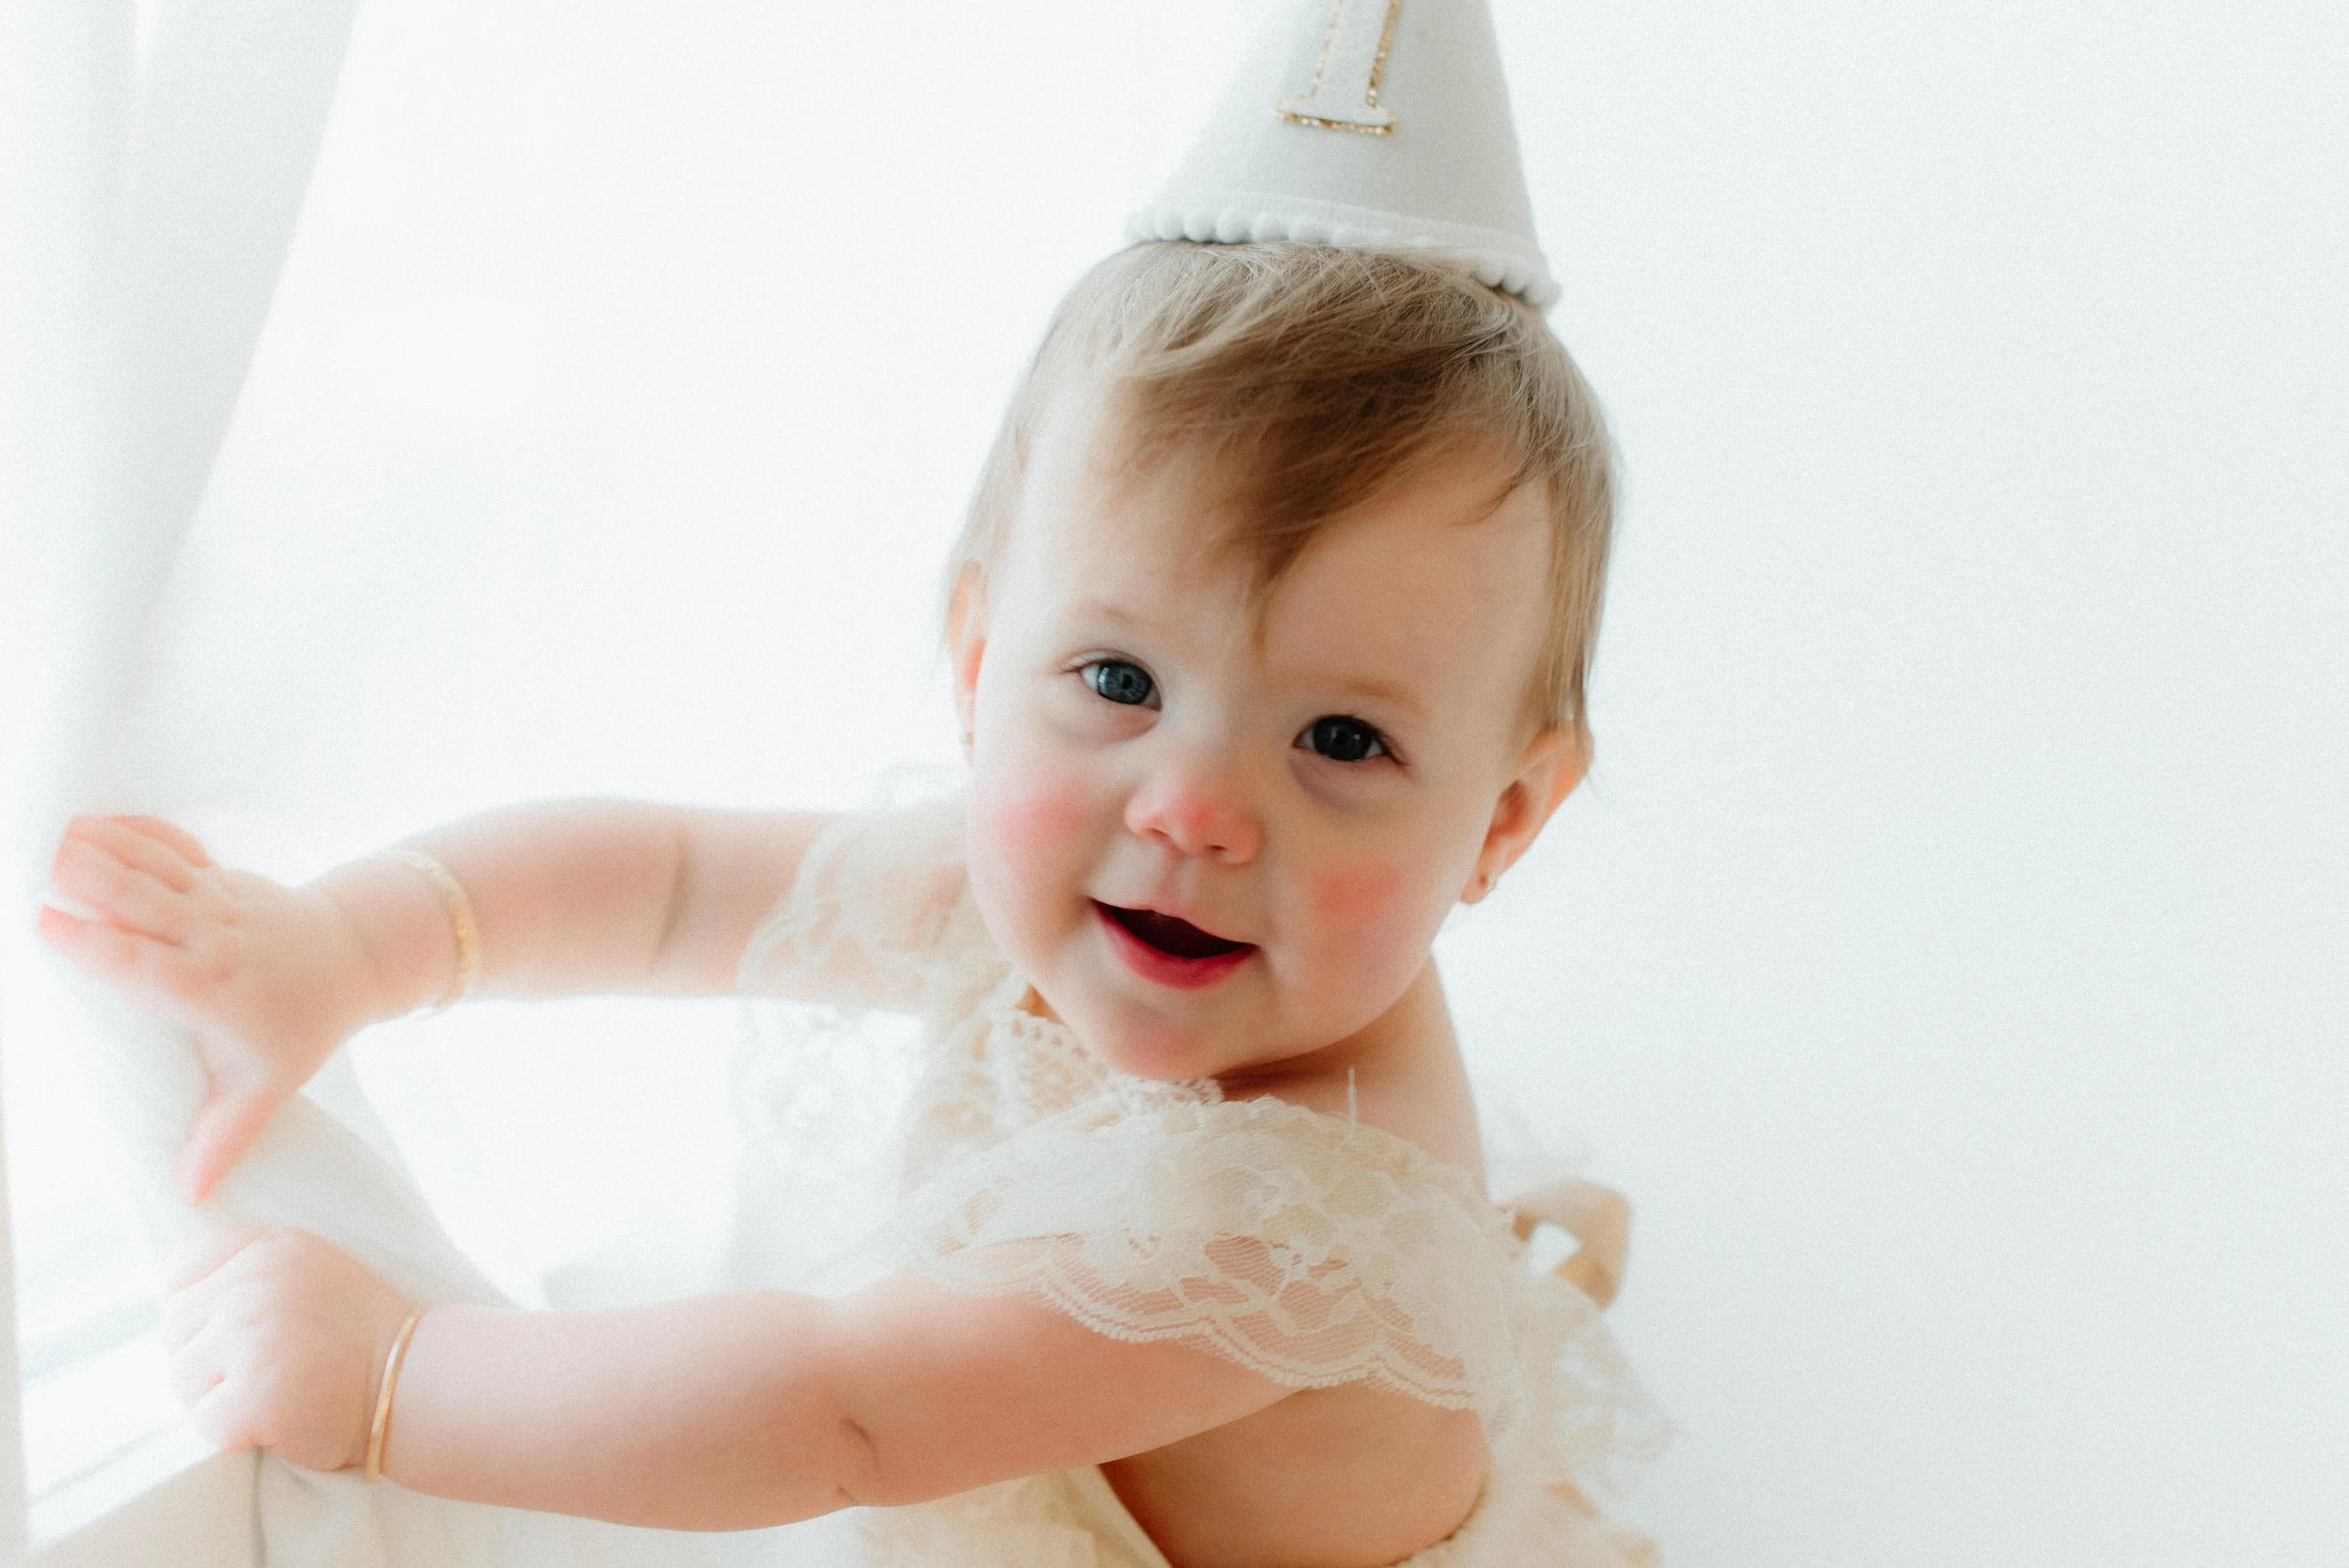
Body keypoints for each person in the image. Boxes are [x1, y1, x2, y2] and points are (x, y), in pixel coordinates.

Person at [38, 3, 1667, 1563]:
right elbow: (673, 890)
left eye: (1341, 742)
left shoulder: (1291, 1222)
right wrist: (347, 947)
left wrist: (399, 1380)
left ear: (1505, 818)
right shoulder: (1085, 876)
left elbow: (844, 1414)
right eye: (1118, 683)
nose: (1191, 810)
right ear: (977, 664)